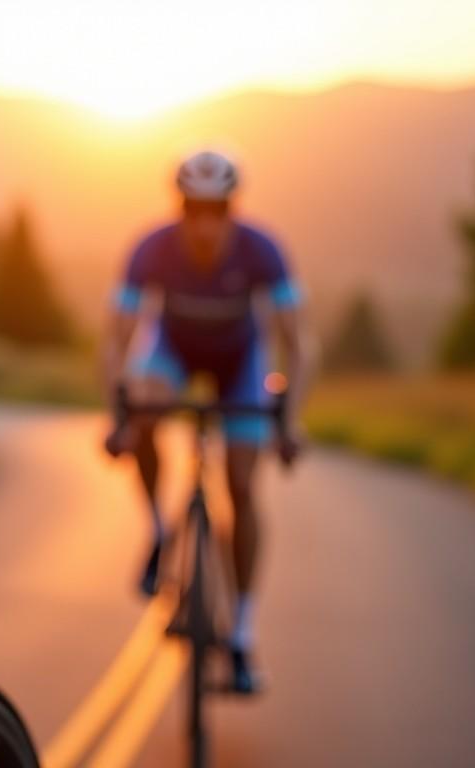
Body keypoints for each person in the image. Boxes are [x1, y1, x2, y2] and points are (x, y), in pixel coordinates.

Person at [102, 149, 312, 693]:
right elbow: (117, 339)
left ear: (231, 208)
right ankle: (156, 529)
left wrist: (290, 422)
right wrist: (120, 416)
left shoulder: (262, 250)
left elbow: (299, 343)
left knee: (242, 486)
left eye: (215, 209)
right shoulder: (152, 248)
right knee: (144, 403)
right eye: (193, 208)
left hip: (241, 362)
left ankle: (240, 635)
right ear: (180, 207)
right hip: (171, 350)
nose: (203, 221)